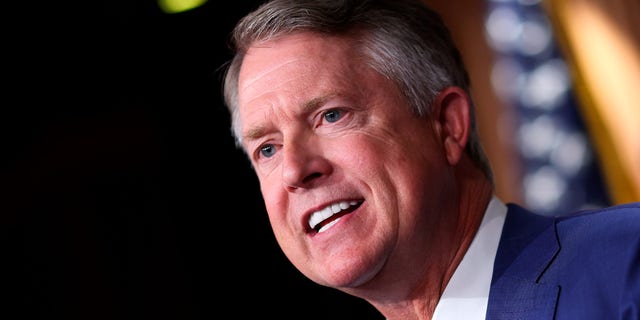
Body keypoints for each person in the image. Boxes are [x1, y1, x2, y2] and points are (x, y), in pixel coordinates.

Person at [219, 0, 640, 319]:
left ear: (447, 124)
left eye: (331, 116)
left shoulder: (626, 263)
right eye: (267, 149)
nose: (294, 169)